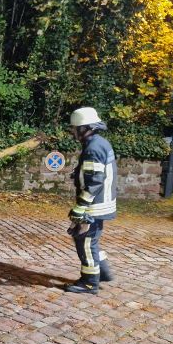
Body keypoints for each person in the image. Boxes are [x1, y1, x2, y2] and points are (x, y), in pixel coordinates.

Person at [65, 107, 117, 294]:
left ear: (84, 128)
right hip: (102, 203)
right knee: (90, 240)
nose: (73, 132)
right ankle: (103, 271)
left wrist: (81, 205)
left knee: (86, 242)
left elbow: (95, 180)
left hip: (94, 206)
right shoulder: (100, 143)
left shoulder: (93, 148)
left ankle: (89, 282)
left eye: (75, 128)